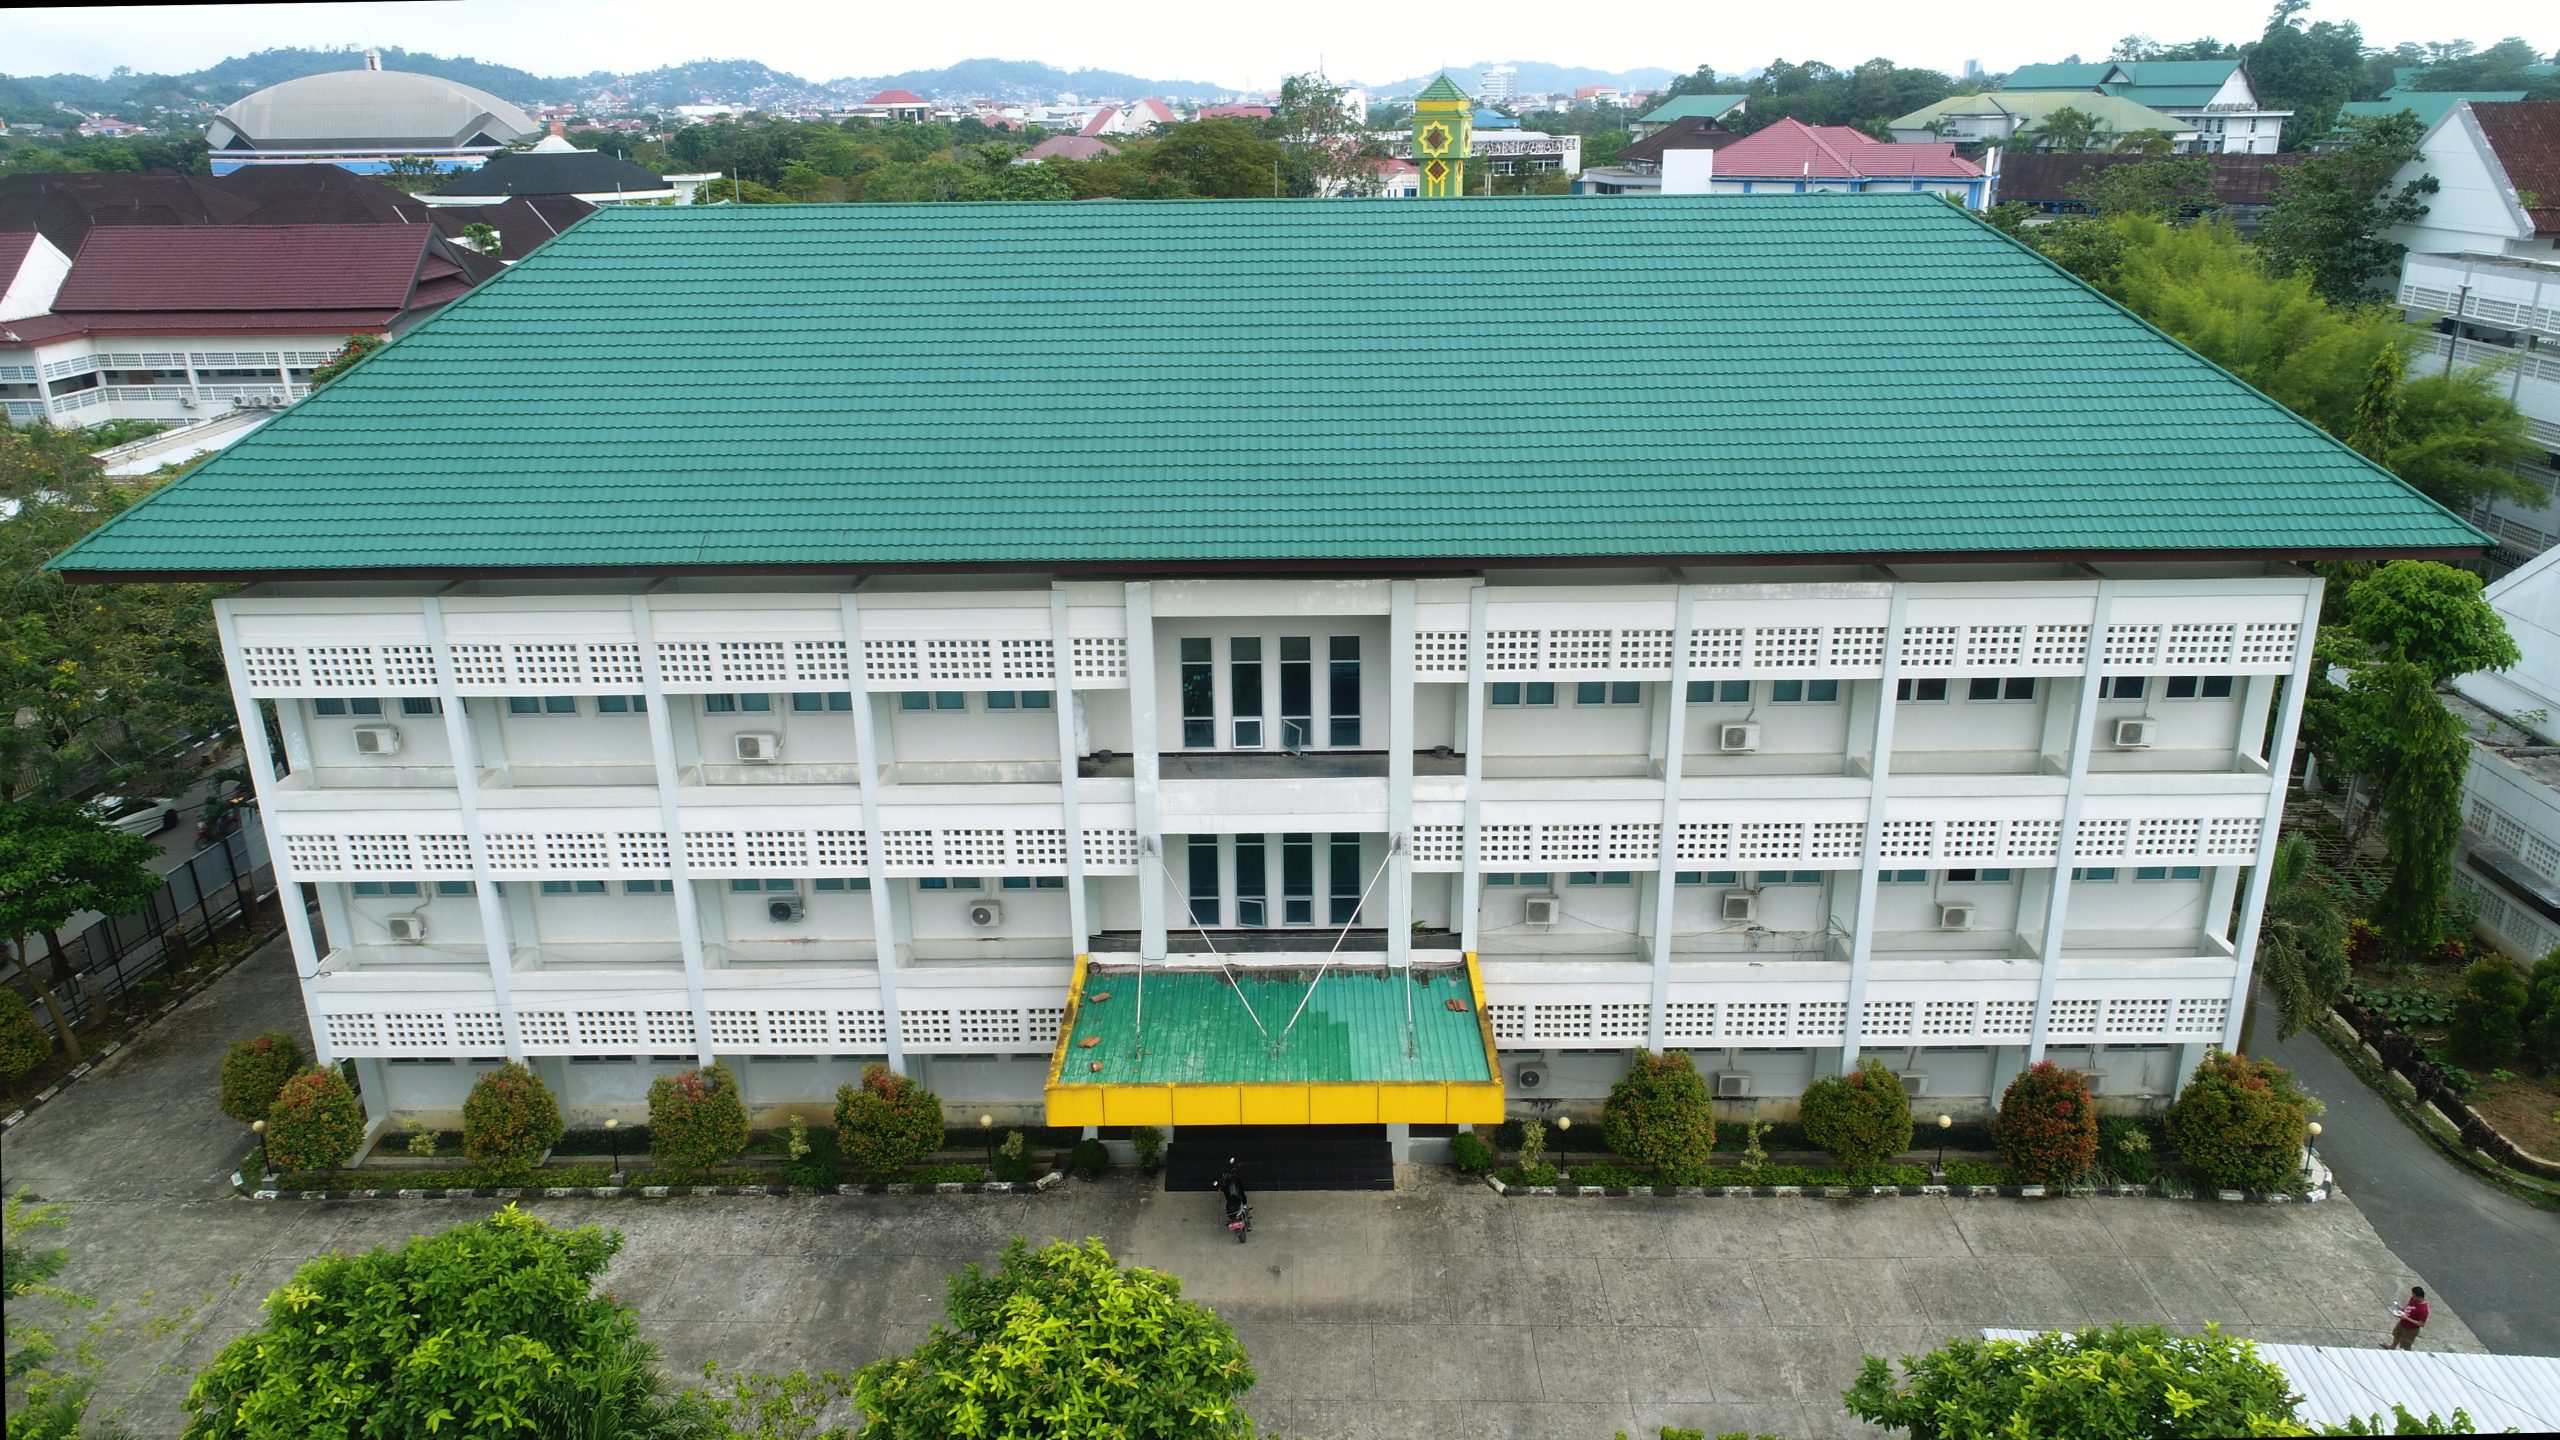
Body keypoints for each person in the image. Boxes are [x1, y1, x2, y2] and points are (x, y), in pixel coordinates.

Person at [2386, 1285, 2429, 1350]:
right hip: (2402, 1323)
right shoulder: (2413, 1299)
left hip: (2410, 1329)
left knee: (2405, 1344)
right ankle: (2392, 1347)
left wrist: (2406, 1318)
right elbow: (2409, 1305)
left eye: (2414, 1295)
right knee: (2396, 1335)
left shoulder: (2423, 1309)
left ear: (2419, 1297)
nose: (2412, 1297)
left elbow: (2421, 1324)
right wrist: (2402, 1309)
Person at [1216, 1159, 1247, 1223]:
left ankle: (1244, 1204)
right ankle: (1244, 1204)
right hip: (1232, 1198)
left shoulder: (1225, 1184)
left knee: (1236, 1190)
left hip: (1231, 1198)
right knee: (1240, 1188)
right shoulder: (1226, 1184)